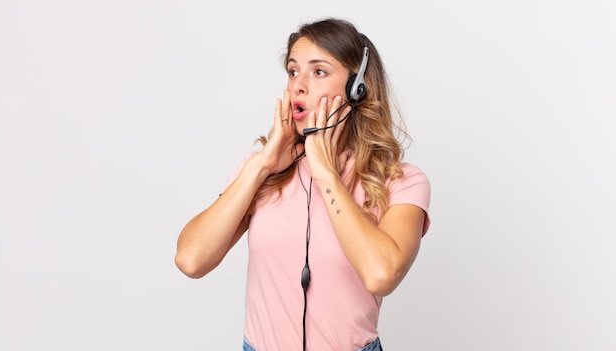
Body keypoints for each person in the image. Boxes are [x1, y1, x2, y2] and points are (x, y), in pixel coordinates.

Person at [175, 17, 431, 351]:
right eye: (293, 71)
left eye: (318, 71)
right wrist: (262, 165)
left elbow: (381, 275)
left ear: (358, 89)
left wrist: (325, 172)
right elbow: (191, 259)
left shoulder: (401, 181)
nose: (297, 85)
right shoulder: (263, 170)